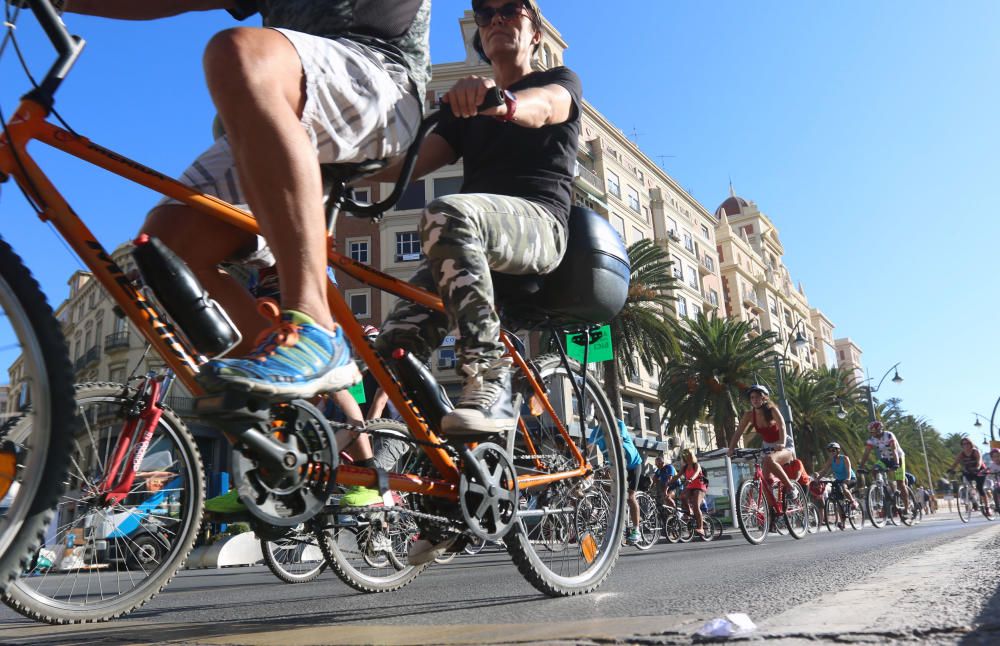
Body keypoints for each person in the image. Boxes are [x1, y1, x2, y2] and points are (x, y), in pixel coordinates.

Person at [63, 1, 430, 396]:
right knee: (164, 256)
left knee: (239, 52)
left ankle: (315, 325)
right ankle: (279, 411)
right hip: (289, 103)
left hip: (383, 83)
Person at [373, 0, 582, 442]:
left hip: (540, 228)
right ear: (481, 36)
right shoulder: (464, 115)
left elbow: (542, 107)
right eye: (486, 15)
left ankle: (489, 375)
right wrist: (331, 165)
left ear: (535, 33)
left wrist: (500, 103)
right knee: (392, 346)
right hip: (473, 244)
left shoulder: (559, 82)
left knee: (447, 213)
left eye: (511, 10)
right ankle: (408, 453)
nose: (497, 20)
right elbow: (409, 165)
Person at [727, 385, 798, 497]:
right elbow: (738, 432)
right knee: (765, 481)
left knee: (769, 459)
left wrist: (782, 443)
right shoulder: (749, 415)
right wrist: (731, 449)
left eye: (757, 397)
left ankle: (791, 488)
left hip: (783, 445)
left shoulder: (772, 410)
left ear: (764, 398)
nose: (755, 400)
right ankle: (773, 511)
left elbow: (782, 425)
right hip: (767, 446)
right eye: (752, 397)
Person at [858, 420, 909, 518]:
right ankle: (880, 486)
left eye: (875, 432)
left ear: (880, 430)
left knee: (900, 484)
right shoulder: (872, 439)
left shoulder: (889, 435)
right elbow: (866, 453)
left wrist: (896, 464)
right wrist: (861, 466)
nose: (874, 434)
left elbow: (894, 450)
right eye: (872, 432)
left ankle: (906, 509)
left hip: (897, 457)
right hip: (885, 458)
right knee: (874, 470)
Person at [817, 442, 858, 528]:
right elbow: (824, 471)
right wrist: (818, 479)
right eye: (830, 450)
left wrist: (848, 478)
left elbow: (848, 470)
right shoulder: (831, 460)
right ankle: (843, 523)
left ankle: (853, 502)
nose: (831, 452)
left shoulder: (845, 458)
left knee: (844, 487)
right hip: (839, 480)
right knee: (838, 500)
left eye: (833, 450)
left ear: (838, 450)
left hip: (850, 478)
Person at [948, 437, 988, 516]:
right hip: (969, 471)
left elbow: (979, 461)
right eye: (963, 444)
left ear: (970, 444)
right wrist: (951, 469)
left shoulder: (975, 451)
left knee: (980, 488)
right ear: (962, 445)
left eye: (967, 443)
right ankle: (974, 500)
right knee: (966, 483)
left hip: (980, 471)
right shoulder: (962, 453)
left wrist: (977, 468)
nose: (965, 445)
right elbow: (956, 462)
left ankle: (987, 507)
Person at [680, 449, 707, 538]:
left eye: (689, 456)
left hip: (700, 487)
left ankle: (701, 528)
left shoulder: (696, 465)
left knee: (696, 505)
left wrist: (691, 479)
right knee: (682, 496)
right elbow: (677, 476)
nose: (687, 458)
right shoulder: (684, 467)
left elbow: (696, 473)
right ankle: (689, 512)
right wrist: (668, 483)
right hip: (690, 487)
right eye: (686, 456)